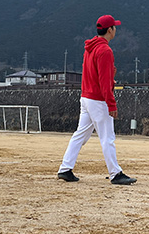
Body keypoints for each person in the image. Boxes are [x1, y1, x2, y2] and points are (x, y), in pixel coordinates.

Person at [57, 14, 136, 185]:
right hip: (98, 99)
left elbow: (93, 75)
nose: (115, 30)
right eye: (114, 27)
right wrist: (111, 103)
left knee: (80, 135)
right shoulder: (105, 50)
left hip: (86, 97)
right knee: (107, 137)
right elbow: (104, 80)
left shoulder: (90, 48)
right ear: (110, 30)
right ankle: (115, 174)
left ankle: (65, 168)